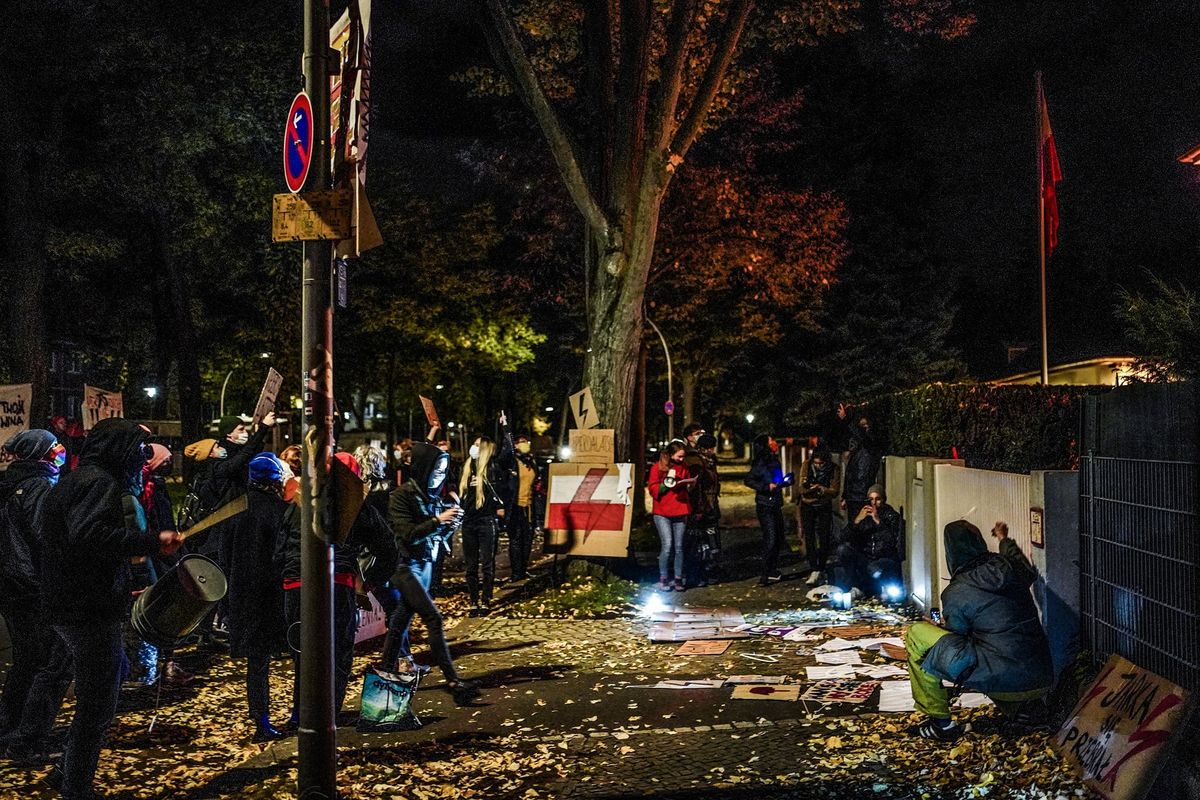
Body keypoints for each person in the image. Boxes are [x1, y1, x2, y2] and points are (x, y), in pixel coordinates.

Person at [39, 418, 182, 799]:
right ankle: (76, 786)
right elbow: (91, 537)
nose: (141, 460)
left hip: (71, 603)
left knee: (112, 673)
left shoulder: (76, 479)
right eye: (136, 450)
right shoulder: (98, 483)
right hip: (86, 607)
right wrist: (151, 541)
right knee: (96, 703)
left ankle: (66, 768)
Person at [905, 519, 1053, 741]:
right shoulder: (1011, 567)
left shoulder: (956, 591)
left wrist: (937, 628)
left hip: (1005, 677)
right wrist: (1004, 539)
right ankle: (1025, 710)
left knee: (918, 635)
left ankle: (941, 724)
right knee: (998, 644)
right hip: (1041, 675)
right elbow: (1021, 562)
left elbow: (957, 639)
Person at [275, 451, 396, 717]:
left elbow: (280, 545)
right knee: (338, 650)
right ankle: (329, 713)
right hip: (337, 583)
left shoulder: (299, 498)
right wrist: (372, 582)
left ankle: (302, 712)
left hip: (296, 584)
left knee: (303, 652)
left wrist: (286, 574)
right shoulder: (355, 503)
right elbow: (387, 547)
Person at [382, 441, 479, 703]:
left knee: (400, 622)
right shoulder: (402, 496)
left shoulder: (431, 496)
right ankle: (452, 680)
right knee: (433, 619)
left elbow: (435, 536)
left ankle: (385, 675)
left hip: (424, 566)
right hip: (405, 567)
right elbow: (408, 534)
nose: (440, 474)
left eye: (444, 470)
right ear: (425, 466)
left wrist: (450, 524)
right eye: (437, 468)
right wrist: (439, 520)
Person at [0, 430, 70, 762]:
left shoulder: (9, 483)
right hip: (32, 586)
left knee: (26, 660)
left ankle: (7, 727)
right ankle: (28, 738)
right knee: (48, 662)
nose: (61, 453)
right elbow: (46, 539)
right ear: (41, 455)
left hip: (10, 584)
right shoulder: (40, 487)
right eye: (55, 449)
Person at [219, 453, 290, 741]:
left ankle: (260, 718)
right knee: (293, 653)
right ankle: (297, 715)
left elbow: (224, 556)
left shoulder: (235, 510)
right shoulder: (280, 510)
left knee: (256, 662)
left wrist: (225, 602)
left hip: (242, 593)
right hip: (273, 592)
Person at [458, 413, 514, 615]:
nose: (473, 447)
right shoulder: (466, 468)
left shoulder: (493, 467)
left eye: (476, 444)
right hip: (469, 522)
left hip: (486, 521)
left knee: (487, 564)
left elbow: (509, 451)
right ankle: (473, 601)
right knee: (471, 566)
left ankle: (486, 599)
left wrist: (505, 428)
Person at [832, 484, 902, 599]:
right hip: (866, 558)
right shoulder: (864, 515)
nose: (874, 503)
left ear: (883, 500)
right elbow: (842, 537)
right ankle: (856, 587)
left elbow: (892, 540)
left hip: (883, 559)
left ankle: (880, 588)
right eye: (871, 499)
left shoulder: (891, 516)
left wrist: (878, 522)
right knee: (843, 550)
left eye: (878, 499)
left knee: (874, 569)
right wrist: (857, 521)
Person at [648, 441, 695, 591]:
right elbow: (653, 488)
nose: (682, 459)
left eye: (683, 457)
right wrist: (665, 485)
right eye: (679, 456)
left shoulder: (684, 466)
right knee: (667, 546)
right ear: (671, 454)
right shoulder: (658, 467)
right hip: (662, 512)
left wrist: (689, 484)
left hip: (680, 509)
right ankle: (663, 577)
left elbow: (687, 482)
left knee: (679, 547)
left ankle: (678, 578)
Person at [745, 434, 791, 586]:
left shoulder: (773, 459)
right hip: (765, 504)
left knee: (778, 537)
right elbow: (749, 480)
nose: (775, 443)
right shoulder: (762, 461)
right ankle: (764, 575)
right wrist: (766, 487)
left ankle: (772, 570)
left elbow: (776, 480)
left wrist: (785, 482)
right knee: (770, 539)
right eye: (772, 440)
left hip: (775, 503)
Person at [799, 448, 841, 586]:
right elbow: (801, 489)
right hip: (808, 505)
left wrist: (821, 489)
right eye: (816, 463)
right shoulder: (806, 465)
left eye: (821, 464)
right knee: (809, 536)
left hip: (824, 506)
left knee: (824, 537)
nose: (818, 466)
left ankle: (821, 567)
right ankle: (814, 568)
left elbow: (834, 491)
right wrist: (812, 489)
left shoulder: (834, 469)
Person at [838, 403, 883, 515]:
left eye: (865, 427)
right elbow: (849, 475)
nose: (863, 430)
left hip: (863, 496)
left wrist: (847, 419)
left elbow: (863, 438)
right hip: (854, 497)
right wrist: (845, 496)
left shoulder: (871, 445)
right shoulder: (857, 450)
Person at [690, 433, 722, 586]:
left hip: (711, 507)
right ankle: (701, 574)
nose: (713, 450)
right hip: (702, 509)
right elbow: (698, 489)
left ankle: (711, 571)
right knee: (701, 543)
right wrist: (699, 509)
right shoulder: (698, 464)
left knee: (712, 541)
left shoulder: (710, 462)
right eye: (710, 447)